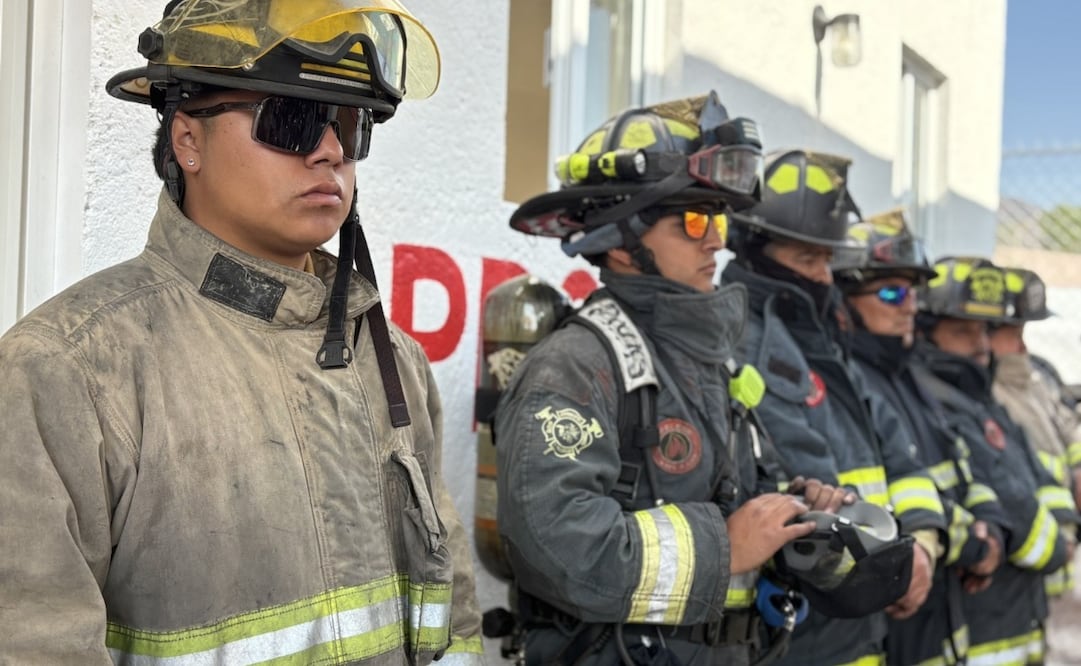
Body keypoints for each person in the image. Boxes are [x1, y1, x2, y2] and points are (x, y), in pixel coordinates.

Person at [0, 1, 484, 663]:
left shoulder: (393, 360)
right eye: (291, 120)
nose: (331, 152)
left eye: (350, 126)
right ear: (188, 141)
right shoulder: (67, 369)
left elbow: (452, 615)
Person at [494, 92, 850, 666]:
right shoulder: (575, 366)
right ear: (623, 240)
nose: (717, 239)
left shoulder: (708, 360)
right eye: (693, 219)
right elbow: (557, 549)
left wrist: (788, 510)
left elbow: (724, 499)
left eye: (719, 218)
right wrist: (725, 547)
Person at [722, 150, 947, 666]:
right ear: (754, 253)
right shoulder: (746, 345)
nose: (824, 278)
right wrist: (895, 560)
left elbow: (902, 458)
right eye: (807, 260)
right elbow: (806, 482)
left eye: (827, 260)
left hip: (861, 622)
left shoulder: (823, 347)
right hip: (805, 634)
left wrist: (922, 546)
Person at [833, 211, 1007, 665]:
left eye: (912, 292)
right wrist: (973, 544)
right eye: (891, 292)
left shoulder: (911, 376)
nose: (909, 305)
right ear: (843, 298)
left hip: (941, 610)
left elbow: (965, 471)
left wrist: (993, 531)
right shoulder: (849, 383)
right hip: (893, 618)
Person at [912, 256, 1075, 665]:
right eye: (963, 331)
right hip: (980, 617)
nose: (980, 344)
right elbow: (1010, 496)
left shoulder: (980, 397)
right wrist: (1055, 546)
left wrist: (1063, 526)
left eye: (985, 330)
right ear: (925, 332)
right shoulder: (938, 401)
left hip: (1018, 612)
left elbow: (1034, 474)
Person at [987, 266, 1081, 661]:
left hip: (1058, 550)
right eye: (1014, 334)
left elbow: (1069, 429)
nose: (1023, 346)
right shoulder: (989, 391)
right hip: (1025, 555)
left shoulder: (1035, 378)